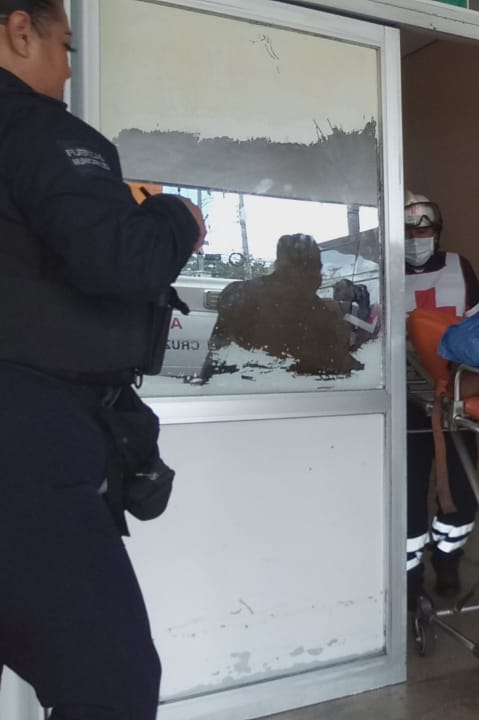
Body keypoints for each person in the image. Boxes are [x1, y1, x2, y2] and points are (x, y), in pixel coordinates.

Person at [0, 2, 206, 718]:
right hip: (25, 437)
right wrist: (176, 217)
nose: (65, 69)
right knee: (109, 682)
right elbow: (120, 261)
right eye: (65, 46)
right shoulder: (35, 129)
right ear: (19, 31)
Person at [403, 191, 479, 599]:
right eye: (408, 232)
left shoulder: (459, 267)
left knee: (462, 492)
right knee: (408, 493)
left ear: (437, 231)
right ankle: (409, 577)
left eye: (424, 230)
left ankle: (448, 559)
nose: (416, 238)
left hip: (454, 399)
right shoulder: (381, 274)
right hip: (404, 400)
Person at [201, 233, 366, 379]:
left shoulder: (236, 293)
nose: (319, 277)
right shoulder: (315, 314)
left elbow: (215, 355)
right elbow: (336, 365)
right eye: (315, 268)